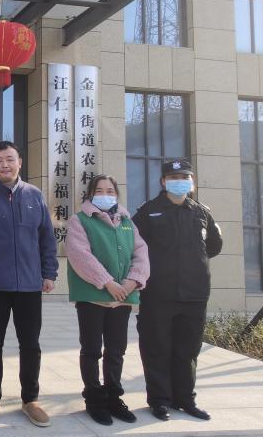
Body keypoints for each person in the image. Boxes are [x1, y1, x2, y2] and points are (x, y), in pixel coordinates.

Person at [0, 140, 57, 428]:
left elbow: (46, 238)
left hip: (29, 285)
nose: (5, 164)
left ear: (19, 162)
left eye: (10, 159)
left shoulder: (34, 195)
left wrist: (49, 272)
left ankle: (31, 400)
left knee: (30, 344)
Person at [132, 160, 222, 422]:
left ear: (192, 181)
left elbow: (214, 245)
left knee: (188, 350)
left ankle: (185, 399)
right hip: (158, 294)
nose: (179, 181)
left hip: (195, 293)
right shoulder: (148, 211)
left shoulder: (202, 212)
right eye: (173, 177)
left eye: (184, 177)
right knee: (157, 348)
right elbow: (134, 247)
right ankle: (159, 400)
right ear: (163, 181)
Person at [65, 174, 149, 426]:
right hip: (93, 297)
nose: (105, 195)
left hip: (122, 297)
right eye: (99, 190)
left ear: (117, 194)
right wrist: (107, 282)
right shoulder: (80, 220)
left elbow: (141, 252)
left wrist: (133, 281)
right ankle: (94, 399)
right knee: (91, 350)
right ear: (90, 194)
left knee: (116, 350)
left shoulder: (127, 222)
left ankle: (113, 397)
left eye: (110, 191)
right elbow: (79, 255)